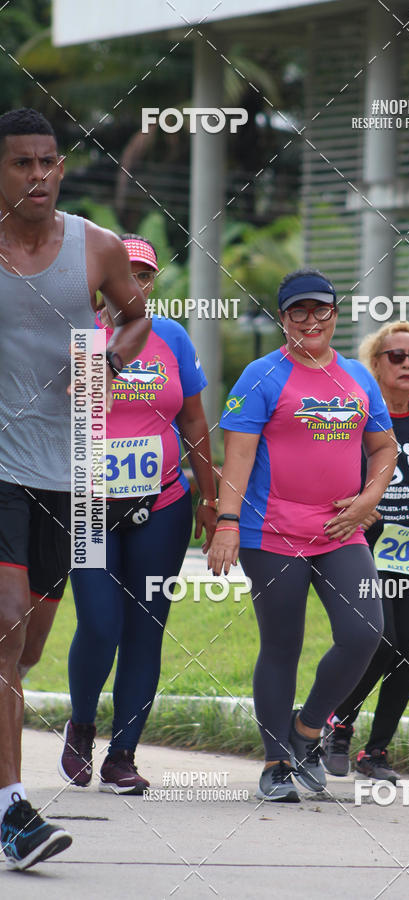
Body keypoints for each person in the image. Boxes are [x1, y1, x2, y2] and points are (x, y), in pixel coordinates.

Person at [0, 108, 150, 870]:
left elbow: (136, 316)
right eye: (22, 163)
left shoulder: (93, 246)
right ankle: (12, 813)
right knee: (5, 621)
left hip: (69, 476)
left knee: (26, 650)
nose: (38, 176)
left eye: (48, 162)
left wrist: (110, 362)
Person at [208, 268, 397, 802]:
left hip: (341, 531)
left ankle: (307, 731)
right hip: (271, 533)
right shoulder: (261, 376)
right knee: (282, 645)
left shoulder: (359, 377)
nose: (310, 321)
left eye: (321, 310)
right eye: (298, 311)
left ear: (335, 314)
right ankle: (275, 762)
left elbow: (384, 449)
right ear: (282, 318)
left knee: (365, 633)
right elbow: (237, 460)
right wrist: (226, 522)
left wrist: (368, 500)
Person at [59, 234, 217, 794]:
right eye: (124, 275)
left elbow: (195, 423)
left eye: (145, 276)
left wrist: (210, 498)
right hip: (88, 509)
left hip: (164, 507)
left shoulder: (172, 336)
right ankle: (81, 727)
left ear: (151, 284)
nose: (134, 286)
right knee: (101, 624)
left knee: (146, 631)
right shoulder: (76, 335)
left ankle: (122, 755)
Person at [321, 321, 409, 782]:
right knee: (382, 641)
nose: (407, 365)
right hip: (368, 547)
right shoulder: (358, 415)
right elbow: (337, 477)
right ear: (376, 363)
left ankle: (374, 753)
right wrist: (357, 507)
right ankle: (336, 724)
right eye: (397, 357)